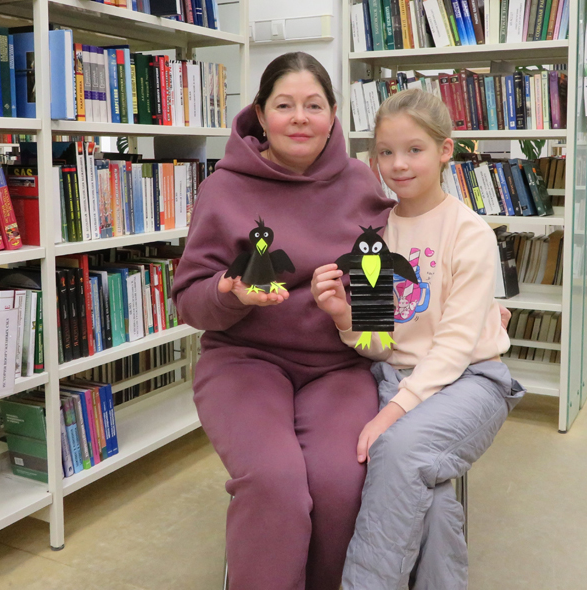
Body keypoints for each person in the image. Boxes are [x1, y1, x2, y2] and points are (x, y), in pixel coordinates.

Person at [171, 52, 393, 590]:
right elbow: (188, 301)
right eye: (284, 105)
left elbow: (379, 302)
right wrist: (229, 292)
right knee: (274, 482)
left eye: (313, 106)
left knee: (340, 483)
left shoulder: (361, 183)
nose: (299, 118)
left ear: (333, 115)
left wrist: (350, 311)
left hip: (337, 366)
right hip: (244, 361)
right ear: (261, 114)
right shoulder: (223, 188)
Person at [310, 89, 526, 589]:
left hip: (473, 381)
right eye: (386, 152)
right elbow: (379, 346)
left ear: (445, 150)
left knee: (399, 450)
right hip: (397, 379)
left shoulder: (470, 233)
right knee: (429, 498)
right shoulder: (376, 238)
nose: (398, 165)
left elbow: (454, 347)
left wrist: (390, 413)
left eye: (414, 150)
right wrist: (345, 317)